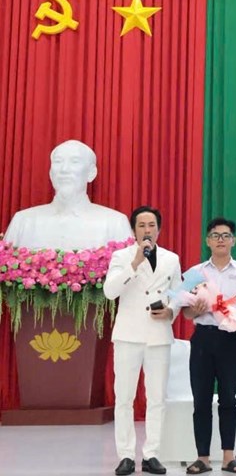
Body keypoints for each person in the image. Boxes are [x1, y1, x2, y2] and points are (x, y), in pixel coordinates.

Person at [104, 206, 183, 476]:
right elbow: (110, 291)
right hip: (128, 334)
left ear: (159, 229)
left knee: (157, 398)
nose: (147, 230)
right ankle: (126, 455)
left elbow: (178, 293)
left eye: (151, 225)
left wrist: (171, 310)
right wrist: (134, 263)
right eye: (141, 225)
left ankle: (152, 454)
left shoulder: (172, 259)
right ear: (133, 229)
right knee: (124, 397)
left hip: (158, 334)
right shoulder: (121, 256)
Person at [182, 218, 236, 474]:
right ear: (208, 240)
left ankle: (229, 457)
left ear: (233, 241)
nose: (221, 240)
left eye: (226, 236)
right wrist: (195, 308)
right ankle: (202, 457)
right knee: (201, 399)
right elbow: (187, 315)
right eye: (215, 235)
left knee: (229, 398)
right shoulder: (195, 273)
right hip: (203, 338)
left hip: (230, 339)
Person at [3, 139, 131, 250]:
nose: (64, 170)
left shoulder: (115, 223)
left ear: (91, 173)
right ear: (50, 173)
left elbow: (132, 273)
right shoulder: (23, 221)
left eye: (74, 162)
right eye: (58, 162)